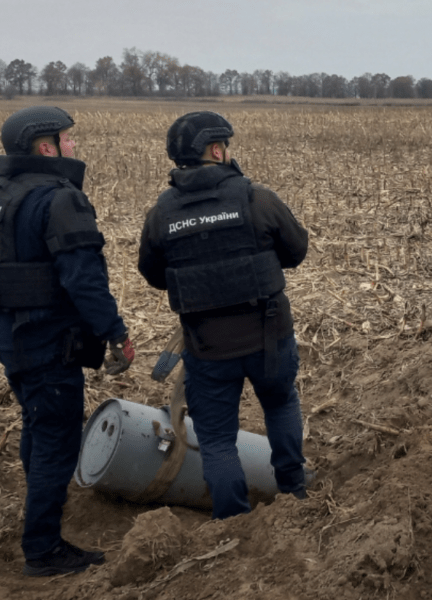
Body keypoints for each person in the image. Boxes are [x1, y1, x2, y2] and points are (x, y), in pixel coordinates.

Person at [0, 106, 135, 576]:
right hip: (46, 342)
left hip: (7, 337)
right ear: (45, 147)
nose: (73, 146)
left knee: (38, 424)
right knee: (57, 437)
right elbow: (84, 280)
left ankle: (41, 506)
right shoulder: (59, 199)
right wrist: (115, 332)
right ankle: (43, 549)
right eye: (66, 138)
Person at [138, 111, 308, 519]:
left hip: (208, 347)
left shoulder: (162, 213)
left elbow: (153, 274)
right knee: (280, 404)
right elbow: (296, 250)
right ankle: (295, 494)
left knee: (216, 440)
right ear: (217, 150)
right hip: (269, 336)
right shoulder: (256, 197)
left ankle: (232, 522)